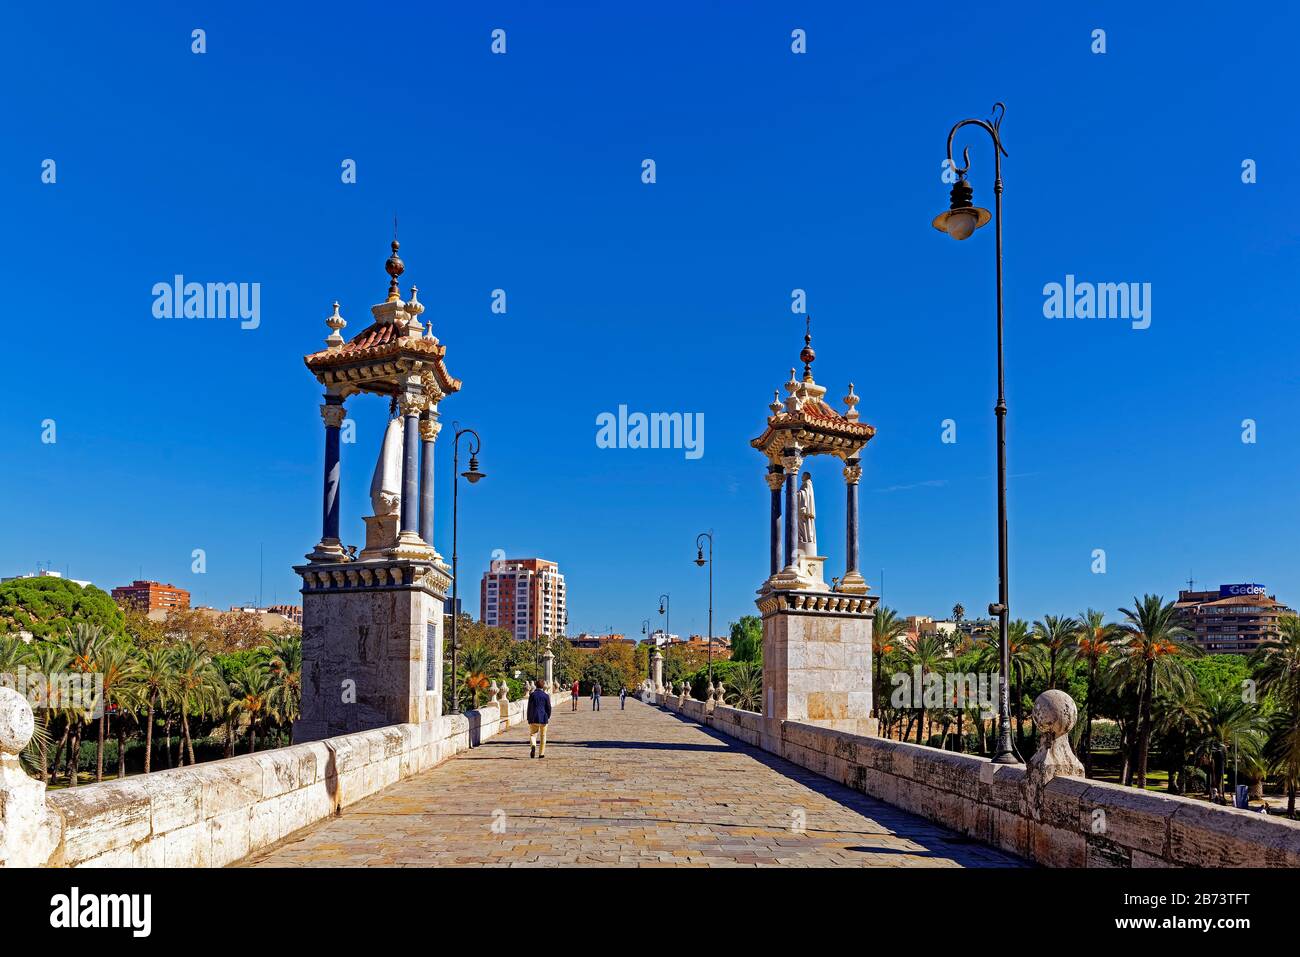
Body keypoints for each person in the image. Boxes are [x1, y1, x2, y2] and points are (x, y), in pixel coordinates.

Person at [526, 678, 551, 759]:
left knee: (533, 734)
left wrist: (528, 718)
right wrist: (548, 716)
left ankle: (533, 745)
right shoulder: (546, 696)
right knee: (543, 736)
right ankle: (541, 754)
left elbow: (529, 707)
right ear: (543, 686)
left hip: (534, 718)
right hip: (543, 718)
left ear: (536, 685)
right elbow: (549, 708)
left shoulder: (532, 695)